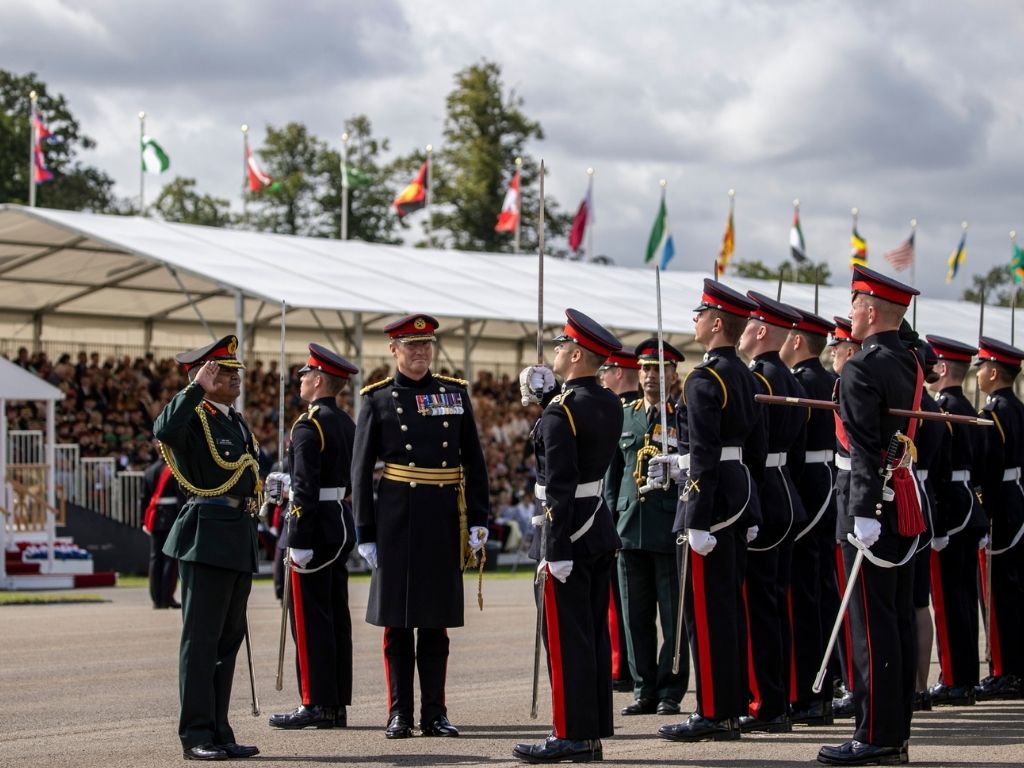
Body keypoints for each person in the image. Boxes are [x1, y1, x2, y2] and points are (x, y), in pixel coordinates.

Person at [351, 314, 490, 739]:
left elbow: (475, 462)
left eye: (426, 344)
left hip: (443, 517)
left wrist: (479, 520)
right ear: (393, 350)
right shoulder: (377, 400)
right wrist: (366, 531)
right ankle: (399, 713)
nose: (420, 352)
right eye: (411, 345)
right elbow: (360, 471)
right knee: (397, 624)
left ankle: (435, 712)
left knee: (435, 624)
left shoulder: (453, 394)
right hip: (397, 518)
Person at [818, 266, 921, 766]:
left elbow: (862, 446)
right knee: (895, 620)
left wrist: (861, 510)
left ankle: (874, 734)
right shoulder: (910, 364)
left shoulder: (861, 368)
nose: (851, 311)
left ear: (872, 311)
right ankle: (894, 732)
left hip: (871, 506)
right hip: (905, 501)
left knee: (870, 625)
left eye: (855, 303)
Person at [512, 308, 625, 764]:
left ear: (577, 354)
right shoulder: (608, 400)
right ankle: (591, 730)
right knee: (592, 634)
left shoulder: (562, 411)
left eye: (561, 347)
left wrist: (554, 550)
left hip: (568, 532)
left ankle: (570, 733)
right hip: (597, 524)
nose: (556, 351)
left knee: (566, 638)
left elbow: (557, 483)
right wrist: (548, 402)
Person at [658, 280, 766, 744]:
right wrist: (752, 504)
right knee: (728, 610)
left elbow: (702, 453)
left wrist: (696, 516)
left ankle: (714, 711)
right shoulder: (745, 374)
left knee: (705, 613)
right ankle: (730, 705)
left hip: (712, 502)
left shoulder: (706, 379)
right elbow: (755, 450)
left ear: (717, 323)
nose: (694, 321)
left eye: (699, 314)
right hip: (738, 494)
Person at [154, 335, 261, 762]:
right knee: (201, 642)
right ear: (203, 374)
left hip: (237, 534)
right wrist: (194, 387)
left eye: (236, 371)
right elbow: (163, 429)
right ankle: (195, 733)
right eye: (224, 371)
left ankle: (219, 729)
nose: (234, 378)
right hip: (206, 534)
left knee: (226, 643)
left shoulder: (234, 420)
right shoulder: (193, 415)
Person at [269, 344, 358, 730]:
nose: (301, 380)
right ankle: (336, 702)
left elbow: (305, 487)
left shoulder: (309, 425)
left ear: (319, 380)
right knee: (336, 615)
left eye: (305, 375)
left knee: (308, 619)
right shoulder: (346, 423)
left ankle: (314, 701)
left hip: (314, 527)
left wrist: (297, 537)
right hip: (339, 520)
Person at [604, 338, 687, 717]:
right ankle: (643, 689)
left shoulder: (681, 415)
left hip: (668, 526)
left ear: (674, 373)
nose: (652, 376)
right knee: (633, 614)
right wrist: (608, 520)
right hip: (628, 524)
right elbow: (613, 474)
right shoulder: (626, 415)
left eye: (660, 369)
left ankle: (670, 690)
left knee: (672, 616)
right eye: (647, 369)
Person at [737, 292, 807, 734]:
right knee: (774, 602)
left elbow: (754, 445)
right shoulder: (788, 378)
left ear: (762, 331)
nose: (742, 330)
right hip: (786, 494)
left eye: (747, 324)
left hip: (764, 493)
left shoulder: (760, 378)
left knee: (759, 606)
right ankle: (776, 698)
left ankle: (766, 702)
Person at [779, 309, 838, 725]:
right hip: (827, 480)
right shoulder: (828, 379)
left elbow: (794, 446)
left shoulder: (802, 382)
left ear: (798, 341)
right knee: (818, 590)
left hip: (809, 484)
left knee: (803, 595)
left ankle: (808, 692)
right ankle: (822, 685)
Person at [925, 335, 986, 706]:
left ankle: (954, 679)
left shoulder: (944, 407)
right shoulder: (967, 407)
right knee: (962, 595)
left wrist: (940, 522)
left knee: (949, 600)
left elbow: (938, 466)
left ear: (944, 369)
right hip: (970, 502)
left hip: (952, 504)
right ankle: (965, 676)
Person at [973, 336, 1024, 700]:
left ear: (993, 372)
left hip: (1002, 504)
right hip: (1018, 497)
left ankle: (1005, 669)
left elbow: (988, 469)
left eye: (981, 369)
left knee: (999, 589)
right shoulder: (1018, 407)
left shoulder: (992, 413)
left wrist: (982, 510)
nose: (977, 375)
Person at [597, 348, 641, 693]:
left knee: (619, 599)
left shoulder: (620, 413)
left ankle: (619, 665)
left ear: (620, 372)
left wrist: (608, 519)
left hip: (619, 516)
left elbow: (612, 477)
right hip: (630, 516)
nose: (602, 376)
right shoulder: (631, 412)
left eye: (607, 369)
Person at [827, 316, 862, 720]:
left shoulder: (853, 381)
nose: (831, 353)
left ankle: (859, 686)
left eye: (837, 346)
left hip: (856, 492)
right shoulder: (840, 382)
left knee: (859, 605)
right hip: (845, 487)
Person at [141, 450, 183, 610]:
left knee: (155, 558)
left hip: (154, 517)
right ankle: (166, 597)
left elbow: (143, 498)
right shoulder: (173, 469)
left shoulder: (149, 470)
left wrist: (142, 520)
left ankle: (156, 598)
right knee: (170, 559)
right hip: (171, 516)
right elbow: (180, 497)